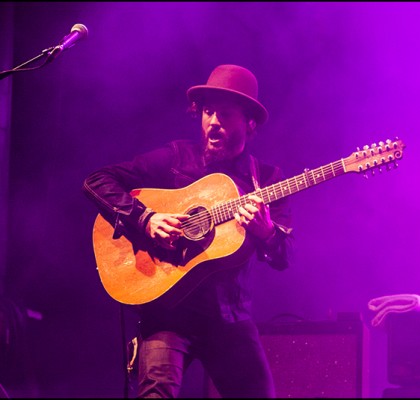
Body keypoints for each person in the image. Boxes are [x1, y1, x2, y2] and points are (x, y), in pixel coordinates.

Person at [82, 64, 293, 398]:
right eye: (208, 112)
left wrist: (266, 232)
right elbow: (97, 181)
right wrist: (145, 219)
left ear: (249, 123)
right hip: (168, 314)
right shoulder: (177, 157)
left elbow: (284, 256)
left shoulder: (264, 179)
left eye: (225, 114)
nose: (213, 122)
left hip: (229, 318)